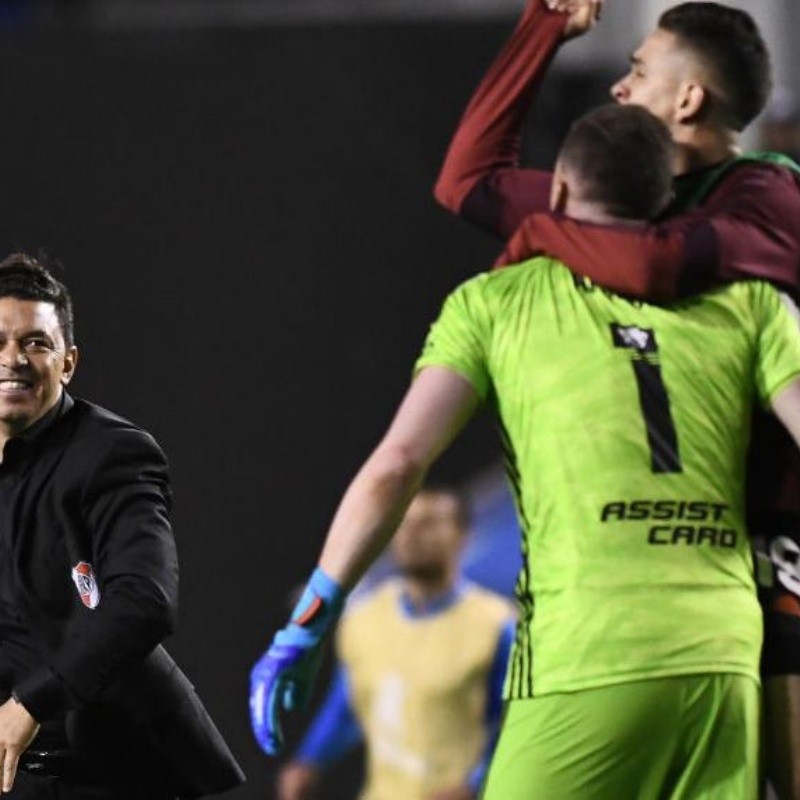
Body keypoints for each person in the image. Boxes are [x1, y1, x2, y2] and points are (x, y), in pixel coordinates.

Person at [251, 103, 800, 799]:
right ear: (663, 200)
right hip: (721, 662)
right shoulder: (747, 304)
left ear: (561, 193)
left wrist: (307, 623)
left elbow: (397, 466)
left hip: (584, 659)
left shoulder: (496, 302)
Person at [434, 2, 800, 795]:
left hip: (778, 550)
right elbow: (466, 182)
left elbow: (659, 267)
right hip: (704, 560)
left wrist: (542, 230)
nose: (619, 85)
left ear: (689, 100)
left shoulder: (769, 198)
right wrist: (541, 28)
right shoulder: (640, 199)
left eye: (638, 69)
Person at [0, 253, 244, 799]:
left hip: (106, 767)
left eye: (35, 343)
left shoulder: (111, 454)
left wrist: (30, 704)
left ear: (67, 362)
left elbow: (144, 599)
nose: (13, 359)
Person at [277, 487, 515, 800]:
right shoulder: (363, 619)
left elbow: (516, 726)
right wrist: (309, 761)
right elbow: (350, 703)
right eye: (404, 522)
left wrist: (473, 784)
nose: (413, 534)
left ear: (462, 535)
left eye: (429, 523)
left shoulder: (497, 625)